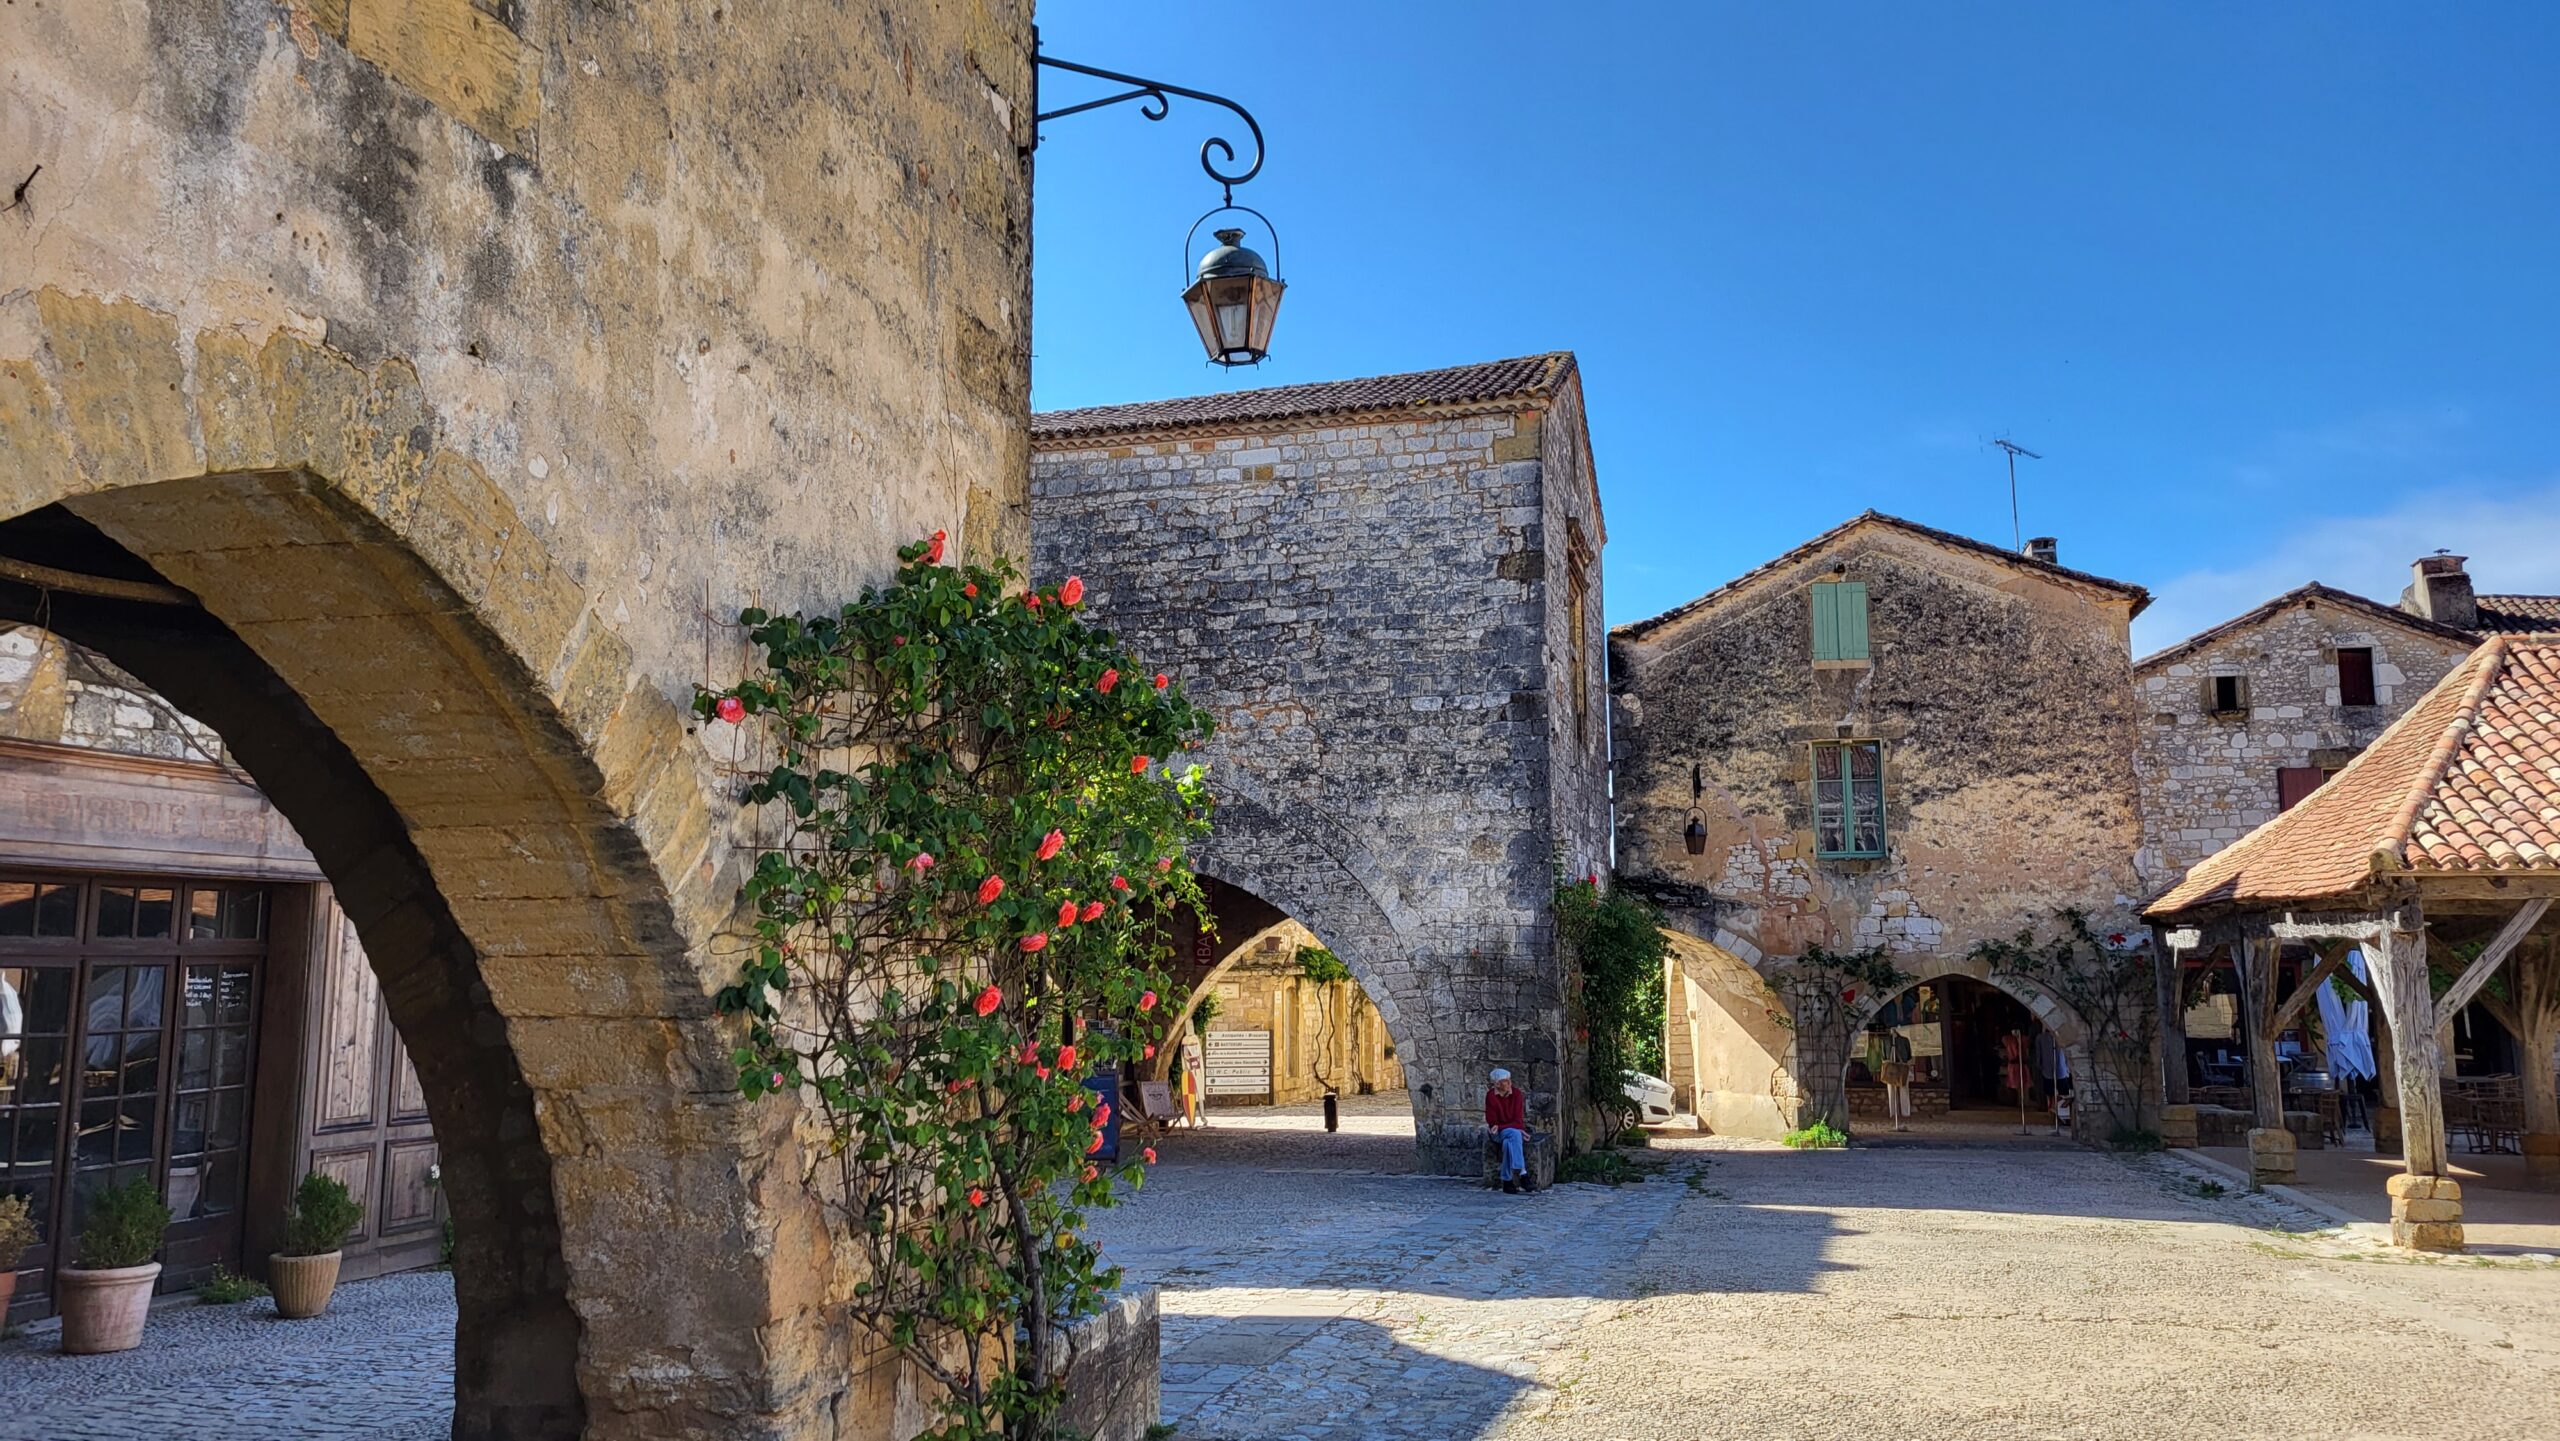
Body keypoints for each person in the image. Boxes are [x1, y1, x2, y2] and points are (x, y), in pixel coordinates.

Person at [1486, 1067, 1532, 1194]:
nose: (1510, 1083)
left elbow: (1518, 1120)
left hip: (1508, 1130)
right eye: (1506, 1081)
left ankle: (1507, 1181)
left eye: (1509, 1080)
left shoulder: (1516, 1094)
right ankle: (1523, 1174)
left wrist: (1501, 1126)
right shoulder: (1491, 1096)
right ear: (1497, 1084)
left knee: (1508, 1143)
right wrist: (1503, 1127)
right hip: (1498, 1134)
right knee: (1515, 1133)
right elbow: (1492, 1122)